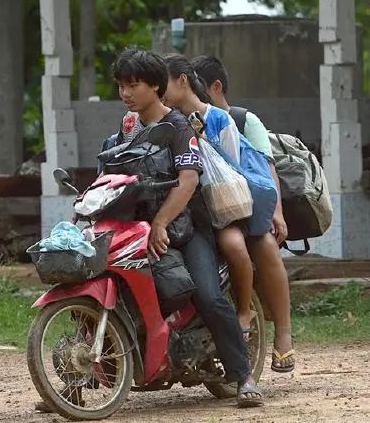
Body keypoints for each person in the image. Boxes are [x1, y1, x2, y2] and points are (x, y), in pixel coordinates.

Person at [93, 47, 263, 407]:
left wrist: (161, 222)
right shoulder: (128, 127)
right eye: (121, 86)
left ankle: (243, 376)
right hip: (138, 230)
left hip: (185, 231)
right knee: (105, 284)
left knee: (209, 296)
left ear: (155, 85)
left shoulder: (179, 127)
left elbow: (188, 181)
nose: (125, 93)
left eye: (133, 85)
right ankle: (80, 380)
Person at [191, 54, 296, 373]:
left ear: (215, 87)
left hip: (246, 206)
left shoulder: (242, 121)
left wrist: (277, 212)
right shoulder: (184, 119)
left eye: (198, 86)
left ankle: (283, 332)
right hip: (206, 209)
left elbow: (266, 167)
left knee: (265, 245)